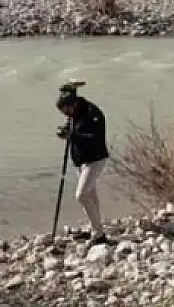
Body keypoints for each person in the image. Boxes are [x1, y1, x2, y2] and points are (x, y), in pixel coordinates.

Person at [55, 80, 111, 244]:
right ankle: (96, 229)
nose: (66, 114)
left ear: (73, 104)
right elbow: (73, 128)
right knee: (91, 196)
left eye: (67, 111)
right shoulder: (74, 113)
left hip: (95, 159)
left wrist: (71, 136)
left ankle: (99, 234)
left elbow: (94, 138)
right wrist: (66, 131)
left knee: (82, 195)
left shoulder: (93, 113)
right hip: (81, 160)